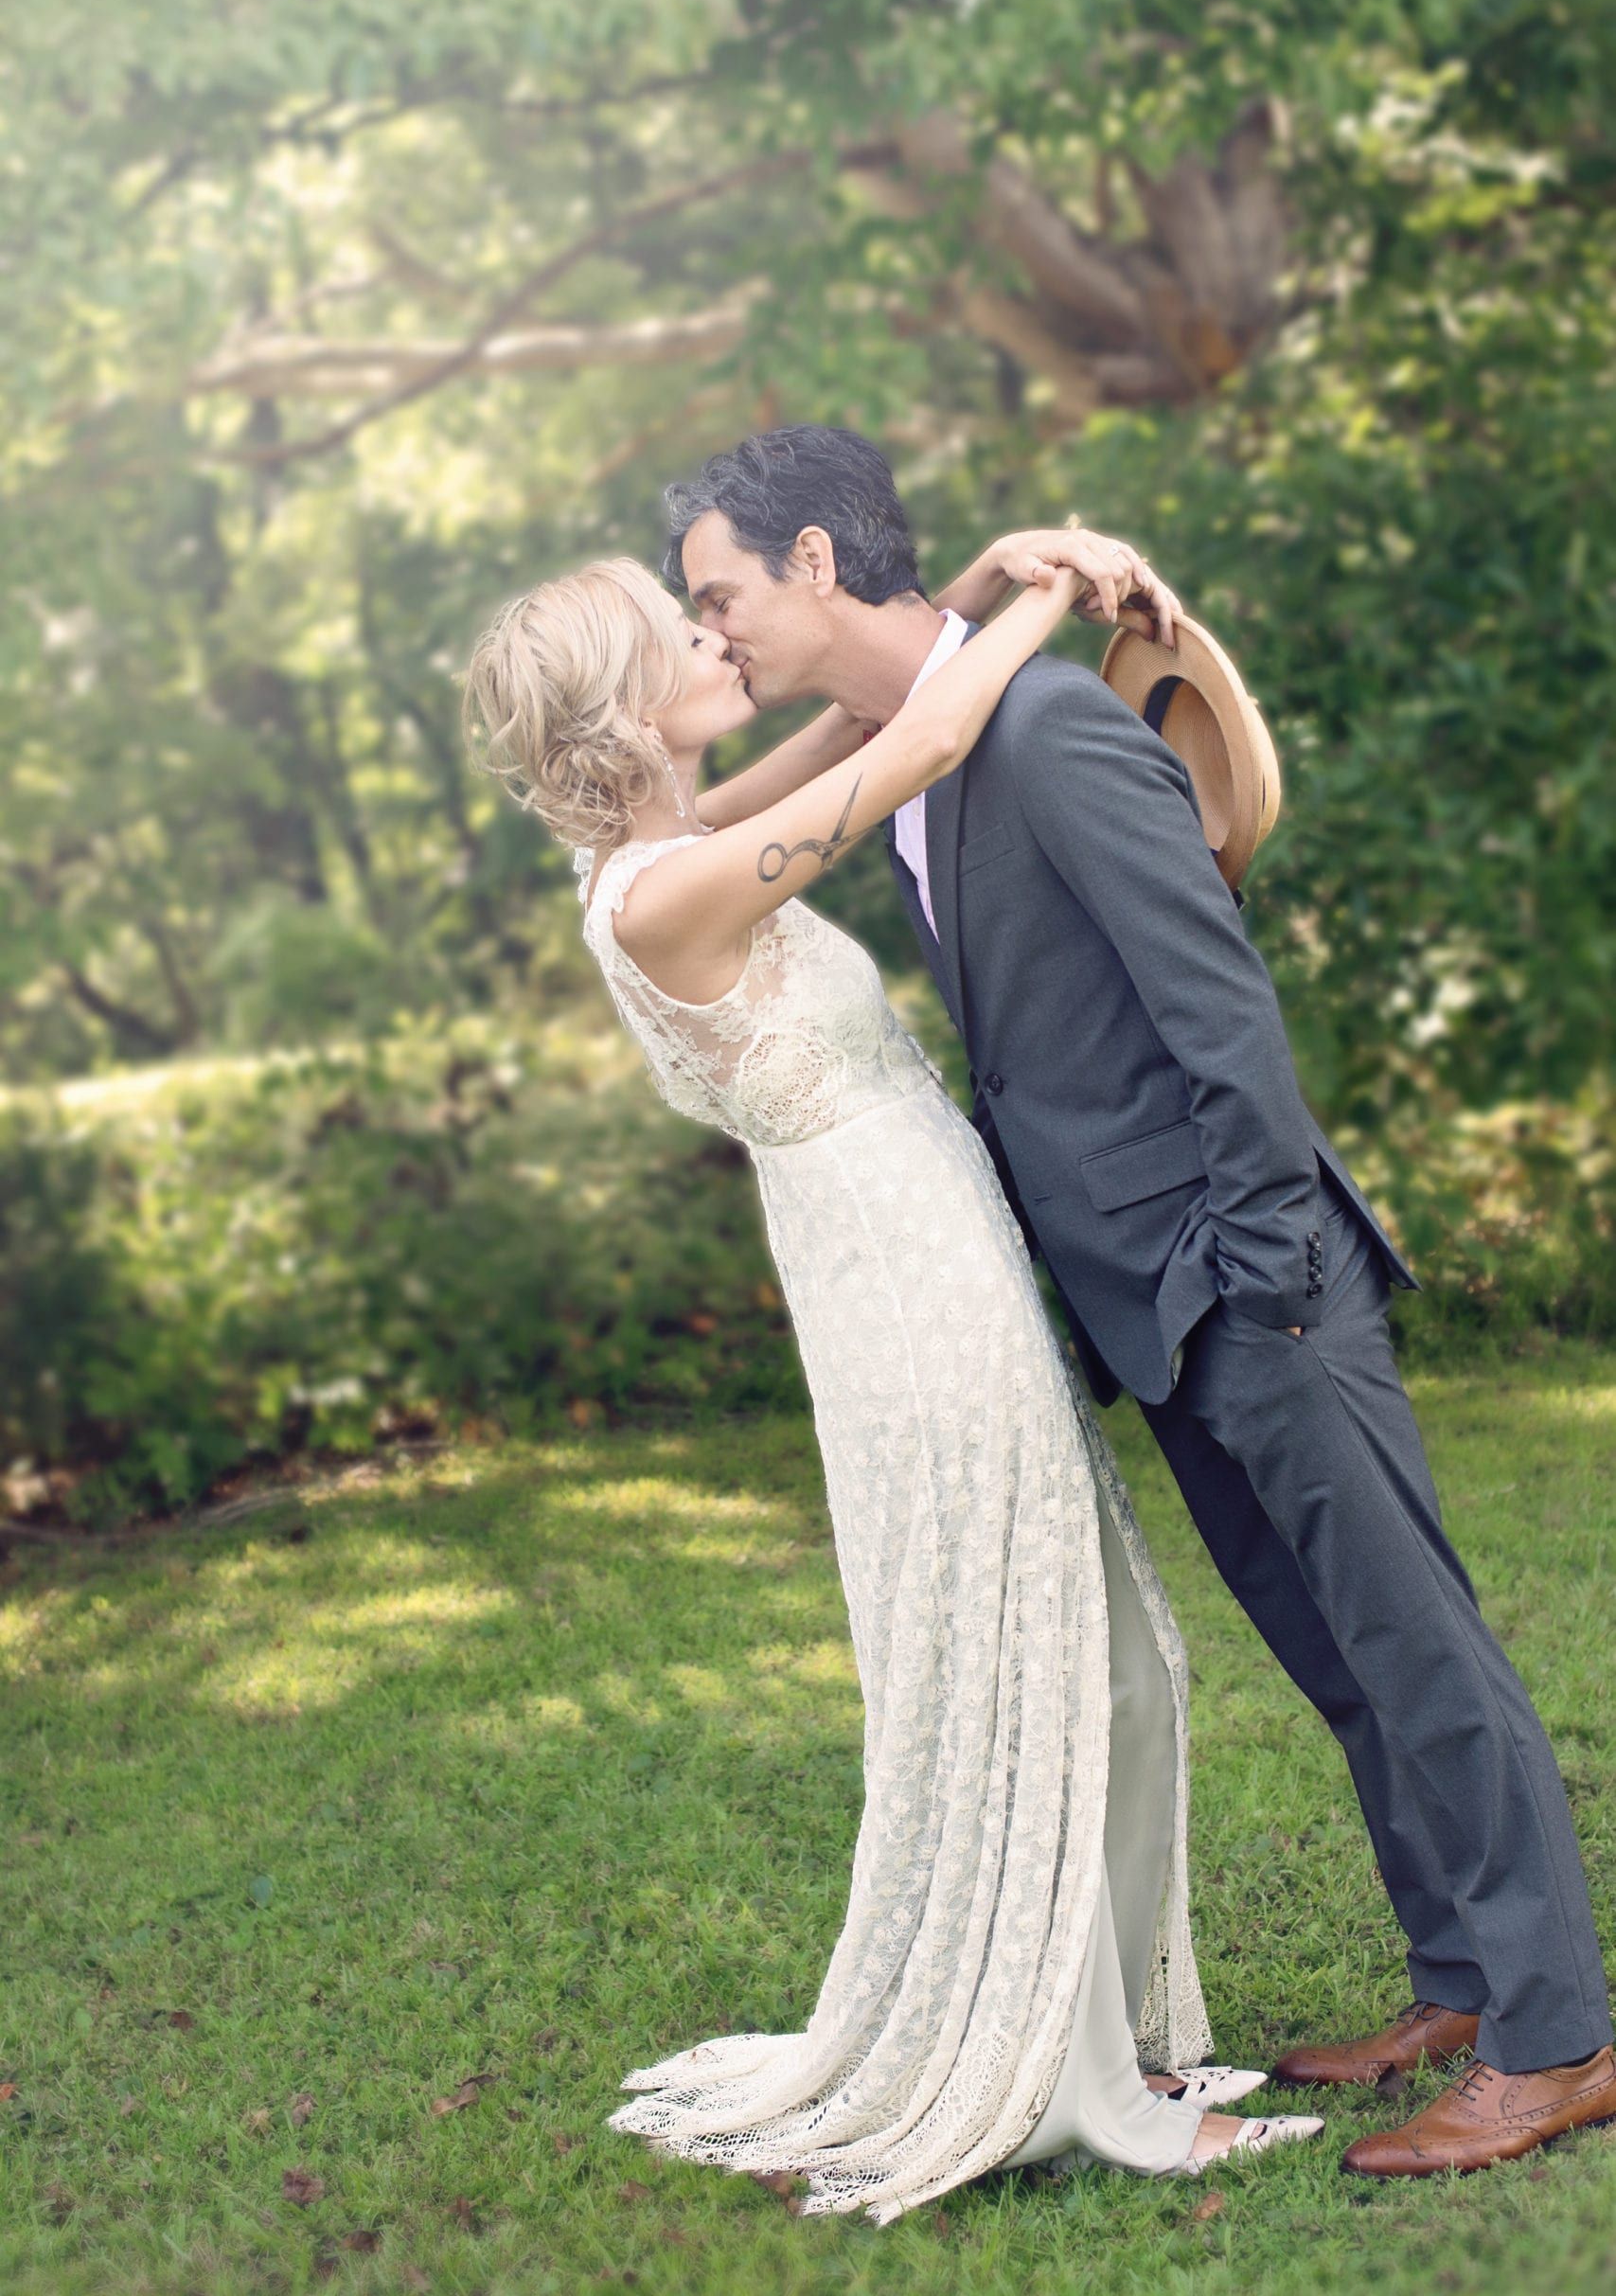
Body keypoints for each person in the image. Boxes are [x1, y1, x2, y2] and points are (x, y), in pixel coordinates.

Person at [662, 423, 1615, 2182]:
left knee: (1419, 1646)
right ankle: (1464, 1978)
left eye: (721, 593)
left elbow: (1217, 1002)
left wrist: (1262, 1264)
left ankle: (1559, 2043)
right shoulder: (926, 742)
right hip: (1146, 1307)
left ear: (812, 560)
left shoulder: (1043, 724)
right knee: (1337, 1663)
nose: (709, 634)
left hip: (1246, 1281)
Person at [461, 535, 1322, 2226]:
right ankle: (1070, 2085)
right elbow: (917, 751)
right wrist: (1053, 591)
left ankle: (1107, 2040)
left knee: (1122, 1660)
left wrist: (978, 573)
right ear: (626, 714)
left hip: (931, 1244)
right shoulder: (670, 889)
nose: (718, 638)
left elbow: (870, 724)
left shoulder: (676, 842)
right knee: (1057, 1660)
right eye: (679, 632)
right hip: (905, 1280)